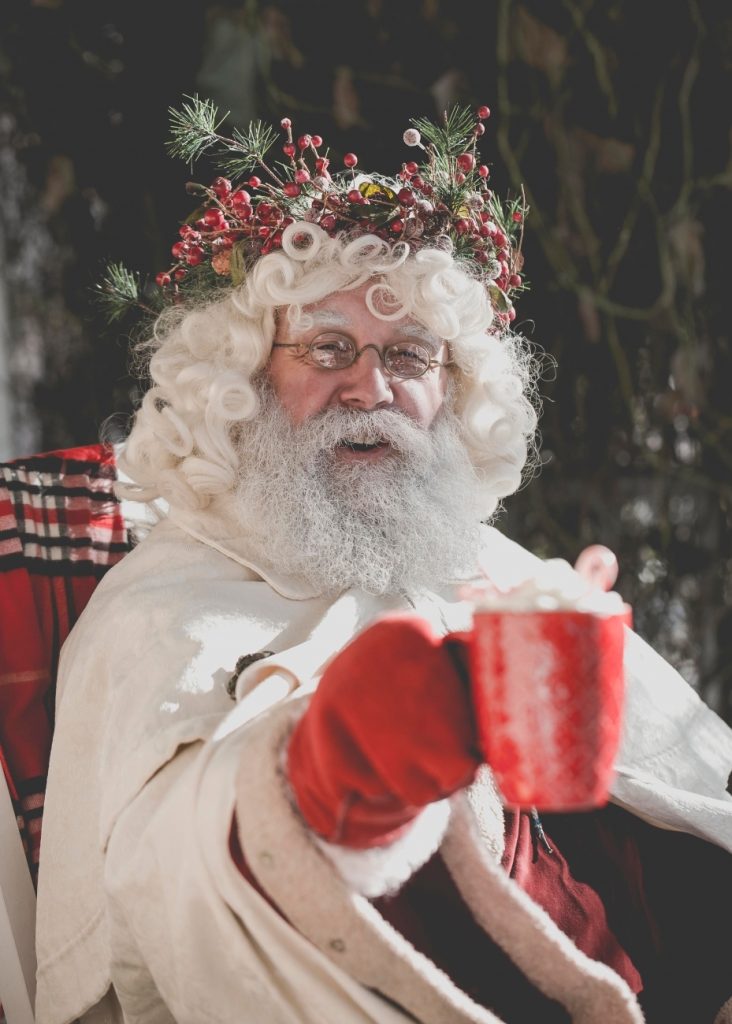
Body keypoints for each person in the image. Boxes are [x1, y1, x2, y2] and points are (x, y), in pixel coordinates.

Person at [34, 100, 732, 1024]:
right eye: (328, 348)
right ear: (241, 380)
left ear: (455, 385)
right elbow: (171, 864)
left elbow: (693, 793)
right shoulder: (159, 608)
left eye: (409, 353)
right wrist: (340, 770)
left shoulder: (492, 565)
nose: (371, 387)